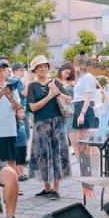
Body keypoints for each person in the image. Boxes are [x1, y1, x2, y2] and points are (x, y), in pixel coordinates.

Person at [25, 55, 71, 199]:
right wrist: (50, 96)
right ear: (35, 70)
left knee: (57, 154)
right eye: (40, 67)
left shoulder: (55, 82)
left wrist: (57, 93)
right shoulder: (32, 86)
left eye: (45, 66)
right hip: (41, 124)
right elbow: (33, 107)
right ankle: (46, 188)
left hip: (57, 122)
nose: (43, 69)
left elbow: (69, 99)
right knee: (42, 155)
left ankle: (56, 188)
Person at [71, 56, 99, 177]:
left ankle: (88, 170)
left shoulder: (88, 77)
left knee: (85, 140)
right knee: (81, 140)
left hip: (84, 108)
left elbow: (88, 96)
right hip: (79, 106)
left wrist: (82, 113)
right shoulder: (81, 77)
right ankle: (85, 169)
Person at [55, 61, 79, 160]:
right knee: (70, 139)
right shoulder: (56, 82)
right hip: (63, 111)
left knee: (77, 140)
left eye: (69, 73)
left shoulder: (72, 82)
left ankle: (81, 160)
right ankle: (78, 159)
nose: (67, 75)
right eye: (66, 73)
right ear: (60, 70)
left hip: (73, 109)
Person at [12, 63, 31, 180]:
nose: (23, 72)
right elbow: (25, 93)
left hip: (22, 112)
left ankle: (20, 170)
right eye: (20, 70)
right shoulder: (16, 80)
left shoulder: (18, 80)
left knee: (24, 138)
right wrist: (28, 81)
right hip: (20, 113)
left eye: (23, 70)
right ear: (14, 71)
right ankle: (19, 171)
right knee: (23, 138)